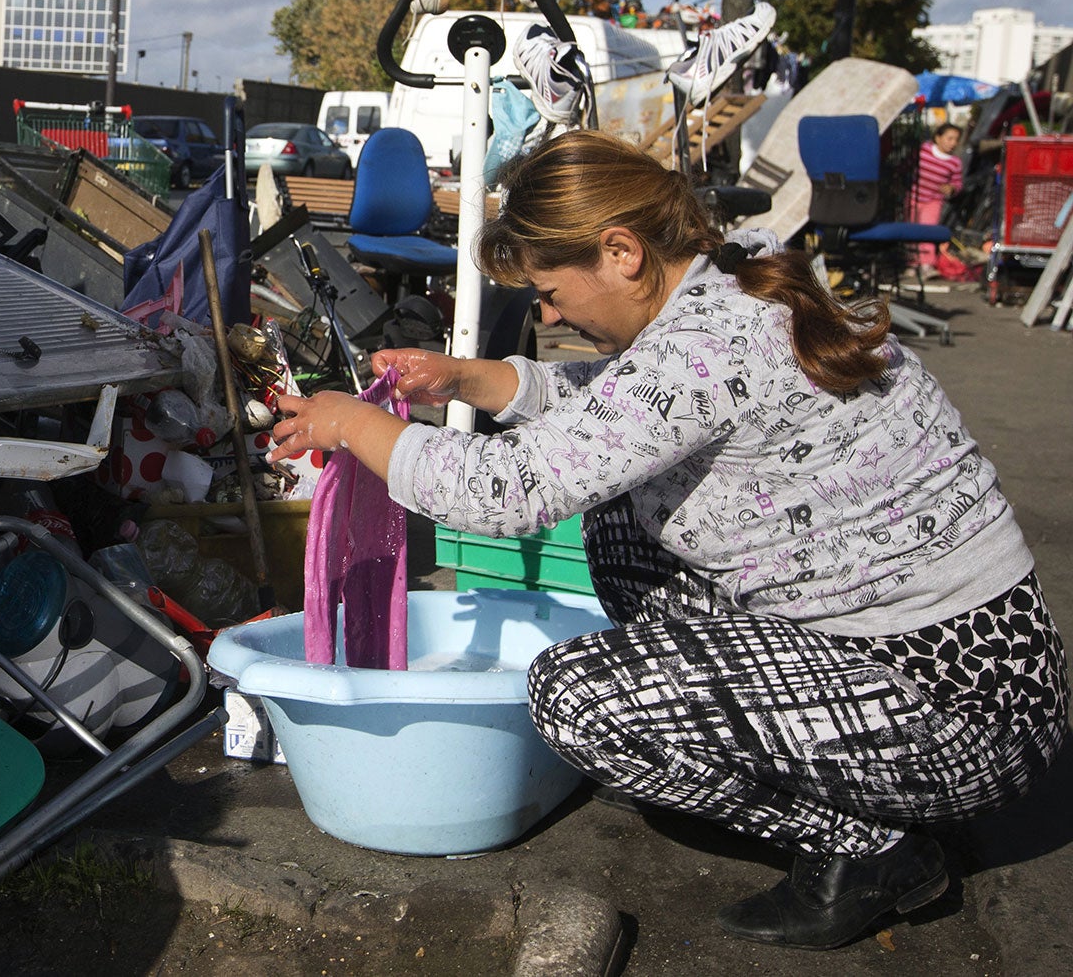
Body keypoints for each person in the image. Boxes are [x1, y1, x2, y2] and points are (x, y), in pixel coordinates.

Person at [269, 129, 1065, 952]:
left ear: (620, 252)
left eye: (547, 290)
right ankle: (702, 733)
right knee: (621, 519)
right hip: (961, 657)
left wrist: (349, 422)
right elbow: (623, 409)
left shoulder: (709, 341)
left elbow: (509, 490)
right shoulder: (729, 280)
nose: (545, 313)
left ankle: (873, 849)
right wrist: (470, 378)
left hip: (963, 709)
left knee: (576, 704)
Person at [912, 122, 966, 273]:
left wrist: (952, 188)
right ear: (938, 137)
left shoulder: (954, 163)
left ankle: (926, 264)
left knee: (928, 230)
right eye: (950, 138)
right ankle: (911, 262)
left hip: (933, 200)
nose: (953, 143)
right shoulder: (924, 150)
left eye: (956, 139)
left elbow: (958, 183)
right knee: (911, 228)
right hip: (914, 196)